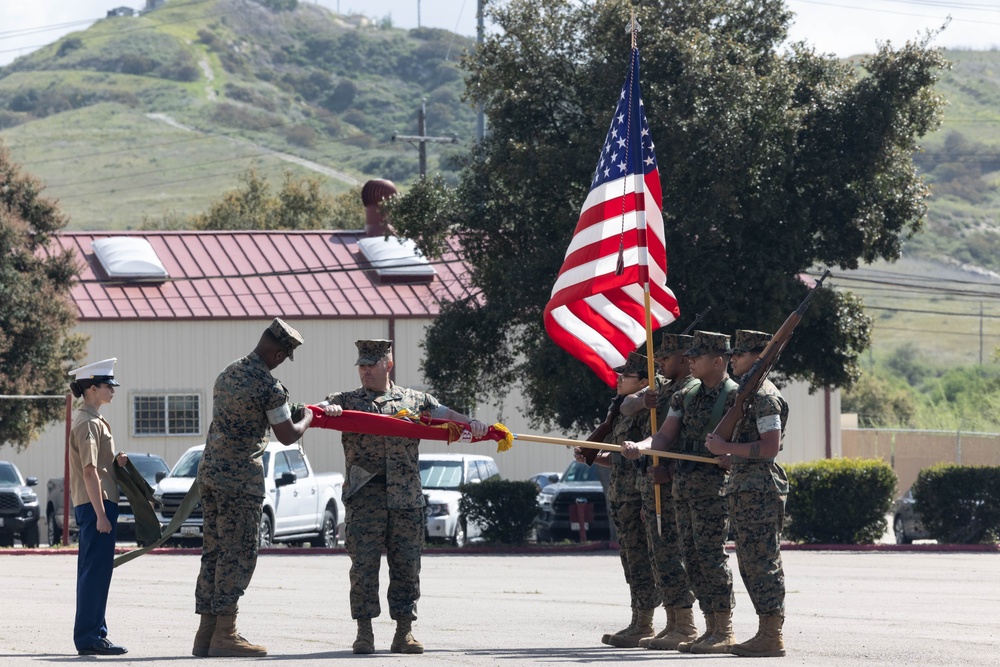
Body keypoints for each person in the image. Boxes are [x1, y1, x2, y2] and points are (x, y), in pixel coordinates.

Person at [319, 339, 488, 655]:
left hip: (406, 497)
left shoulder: (414, 400)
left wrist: (472, 423)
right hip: (364, 497)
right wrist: (329, 410)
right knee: (364, 567)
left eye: (371, 365)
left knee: (407, 566)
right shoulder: (346, 400)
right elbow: (318, 411)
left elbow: (445, 415)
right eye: (362, 365)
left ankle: (404, 632)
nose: (365, 371)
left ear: (388, 365)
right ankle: (364, 632)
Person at [193, 318, 313, 658]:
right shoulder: (268, 386)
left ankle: (206, 632)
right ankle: (225, 634)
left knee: (214, 551)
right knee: (238, 552)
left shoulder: (228, 373)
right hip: (240, 481)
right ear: (277, 352)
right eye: (283, 357)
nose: (280, 363)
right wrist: (308, 418)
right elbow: (288, 434)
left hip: (212, 475)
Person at [621, 330, 738, 654]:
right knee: (692, 557)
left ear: (718, 360)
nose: (691, 361)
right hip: (683, 488)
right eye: (690, 356)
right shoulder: (685, 396)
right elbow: (662, 438)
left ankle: (723, 628)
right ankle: (707, 625)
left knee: (711, 558)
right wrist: (640, 447)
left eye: (697, 357)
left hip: (712, 489)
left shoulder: (734, 396)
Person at [705, 330, 789, 657]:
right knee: (749, 564)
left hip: (759, 488)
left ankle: (771, 635)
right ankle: (764, 631)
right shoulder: (748, 395)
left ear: (759, 356)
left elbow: (769, 448)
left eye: (739, 353)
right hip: (744, 486)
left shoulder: (766, 396)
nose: (733, 359)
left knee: (761, 562)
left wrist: (726, 446)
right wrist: (732, 454)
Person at [621, 333, 699, 650]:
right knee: (660, 557)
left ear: (683, 358)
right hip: (654, 484)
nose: (661, 363)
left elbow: (689, 443)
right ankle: (671, 622)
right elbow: (626, 406)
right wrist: (643, 400)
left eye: (666, 358)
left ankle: (686, 624)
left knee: (673, 555)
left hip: (675, 484)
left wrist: (668, 471)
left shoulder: (691, 391)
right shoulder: (665, 390)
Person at [574, 351, 657, 648]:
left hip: (637, 494)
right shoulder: (621, 410)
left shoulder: (648, 411)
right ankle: (639, 620)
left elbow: (647, 451)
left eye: (626, 376)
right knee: (630, 560)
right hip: (621, 494)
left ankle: (647, 622)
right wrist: (595, 455)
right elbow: (621, 457)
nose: (618, 379)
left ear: (644, 381)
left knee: (642, 559)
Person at [68, 357, 129, 656]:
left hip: (98, 503)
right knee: (96, 572)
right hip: (97, 505)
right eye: (108, 385)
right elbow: (89, 471)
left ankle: (94, 633)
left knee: (96, 571)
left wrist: (116, 462)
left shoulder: (93, 420)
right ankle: (90, 636)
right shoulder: (88, 423)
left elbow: (99, 467)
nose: (113, 390)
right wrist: (102, 515)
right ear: (92, 389)